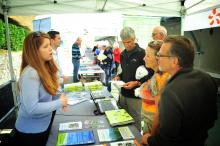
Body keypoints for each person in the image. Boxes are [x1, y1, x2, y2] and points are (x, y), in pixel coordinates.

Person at [142, 35, 217, 146]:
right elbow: (212, 118)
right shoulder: (207, 78)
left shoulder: (170, 91)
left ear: (174, 61)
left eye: (160, 55)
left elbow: (165, 141)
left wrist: (148, 140)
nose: (158, 58)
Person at [13, 32, 68, 146]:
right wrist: (60, 102)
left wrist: (59, 96)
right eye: (45, 46)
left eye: (49, 45)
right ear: (34, 51)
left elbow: (50, 92)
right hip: (30, 134)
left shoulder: (44, 68)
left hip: (43, 127)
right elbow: (32, 108)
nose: (50, 50)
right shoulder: (31, 73)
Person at [113, 27, 147, 131]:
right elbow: (124, 71)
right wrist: (119, 76)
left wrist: (137, 83)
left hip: (135, 96)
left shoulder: (143, 53)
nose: (127, 44)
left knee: (135, 121)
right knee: (123, 120)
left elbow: (150, 74)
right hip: (123, 93)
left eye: (130, 41)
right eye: (125, 42)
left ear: (134, 38)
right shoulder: (122, 54)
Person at [140, 40, 169, 135]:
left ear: (158, 58)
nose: (144, 58)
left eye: (147, 56)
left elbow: (159, 112)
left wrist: (151, 138)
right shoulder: (157, 74)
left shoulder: (160, 78)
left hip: (153, 128)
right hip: (149, 123)